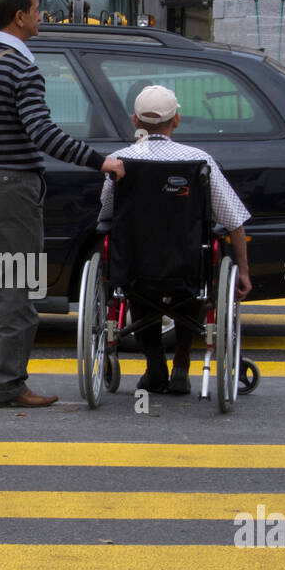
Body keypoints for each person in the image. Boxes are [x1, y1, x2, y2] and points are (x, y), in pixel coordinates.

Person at [0, 0, 125, 408]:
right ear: (19, 17)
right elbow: (41, 132)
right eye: (37, 8)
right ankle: (8, 385)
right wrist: (100, 161)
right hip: (12, 188)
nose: (41, 14)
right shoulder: (22, 68)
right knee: (16, 288)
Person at [99, 85, 252, 395]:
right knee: (196, 272)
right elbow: (234, 220)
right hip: (187, 262)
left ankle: (155, 364)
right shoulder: (199, 162)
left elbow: (107, 211)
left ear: (134, 120)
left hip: (135, 262)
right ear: (177, 120)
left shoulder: (119, 160)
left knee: (137, 280)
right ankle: (181, 364)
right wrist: (245, 272)